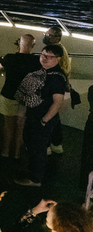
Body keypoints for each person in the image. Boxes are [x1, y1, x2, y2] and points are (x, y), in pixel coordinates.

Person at [15, 45, 68, 187]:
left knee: (38, 147)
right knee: (32, 144)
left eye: (49, 57)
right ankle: (33, 173)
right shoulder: (44, 73)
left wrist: (44, 121)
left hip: (43, 118)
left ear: (58, 59)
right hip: (35, 116)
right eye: (43, 55)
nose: (44, 59)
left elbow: (57, 102)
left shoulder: (56, 78)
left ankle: (35, 179)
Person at [0, 34, 40, 159]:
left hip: (9, 95)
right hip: (25, 98)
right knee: (20, 127)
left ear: (19, 44)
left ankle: (5, 151)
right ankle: (16, 153)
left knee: (8, 126)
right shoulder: (36, 61)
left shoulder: (9, 58)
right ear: (32, 45)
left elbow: (0, 67)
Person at [43, 26, 71, 155]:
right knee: (54, 116)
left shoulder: (56, 51)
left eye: (49, 35)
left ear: (57, 37)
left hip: (53, 87)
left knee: (49, 114)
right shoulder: (62, 49)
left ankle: (47, 144)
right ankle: (57, 143)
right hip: (59, 86)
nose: (46, 36)